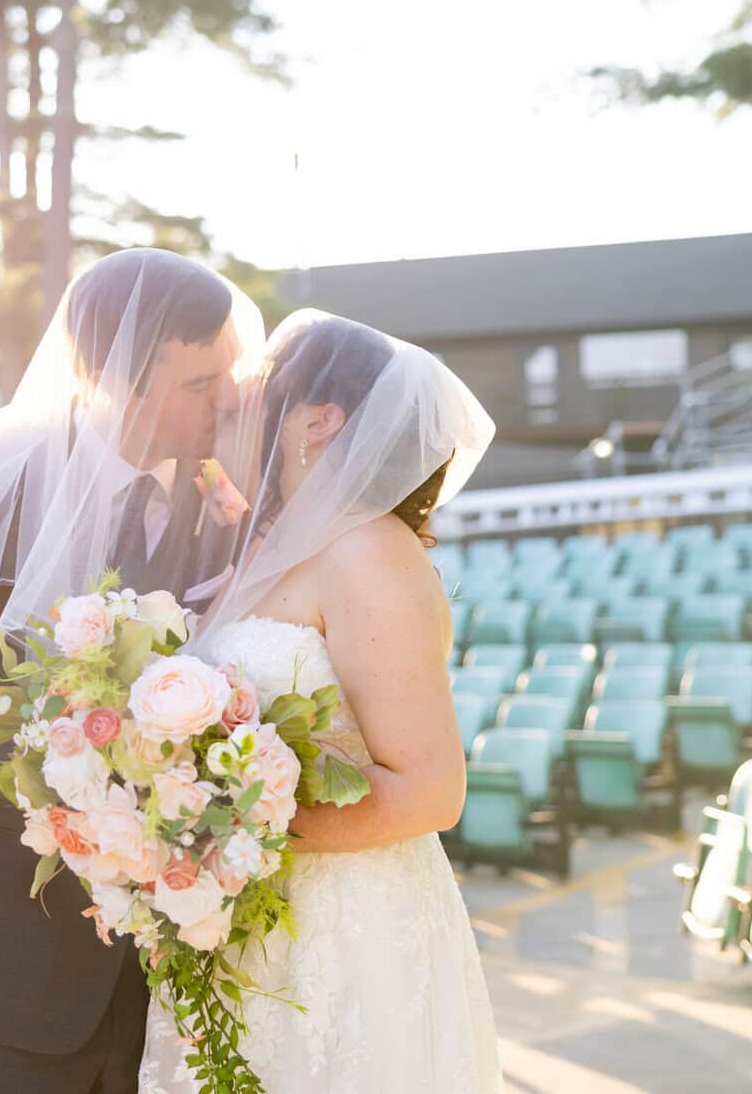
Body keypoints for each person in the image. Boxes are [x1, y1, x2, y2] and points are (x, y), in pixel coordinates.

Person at [0, 248, 264, 1094]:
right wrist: (69, 778)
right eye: (196, 384)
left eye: (228, 375)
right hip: (6, 964)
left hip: (172, 979)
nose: (226, 403)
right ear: (109, 376)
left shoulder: (223, 507)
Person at [138, 310, 503, 1093]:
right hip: (249, 922)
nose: (227, 402)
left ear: (319, 420)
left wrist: (221, 838)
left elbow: (431, 790)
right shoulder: (258, 551)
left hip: (344, 924)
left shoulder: (367, 550)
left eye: (249, 392)